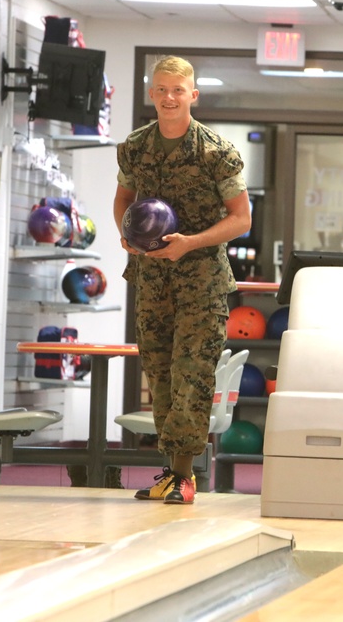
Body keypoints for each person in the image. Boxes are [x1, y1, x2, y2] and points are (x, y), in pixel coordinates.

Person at [112, 55, 250, 504]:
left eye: (178, 90)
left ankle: (184, 475)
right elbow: (124, 202)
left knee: (192, 375)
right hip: (151, 280)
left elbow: (242, 219)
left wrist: (190, 242)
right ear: (152, 94)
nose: (169, 97)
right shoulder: (134, 146)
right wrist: (127, 235)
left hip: (202, 283)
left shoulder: (215, 151)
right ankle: (171, 471)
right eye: (161, 89)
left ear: (193, 95)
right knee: (160, 376)